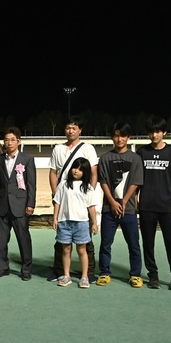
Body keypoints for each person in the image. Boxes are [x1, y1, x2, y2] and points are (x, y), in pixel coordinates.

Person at [47, 115, 99, 283]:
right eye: (68, 128)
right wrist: (56, 194)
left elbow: (93, 172)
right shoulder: (58, 149)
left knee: (85, 240)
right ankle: (59, 271)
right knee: (62, 240)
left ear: (80, 130)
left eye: (74, 128)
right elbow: (53, 173)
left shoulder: (88, 148)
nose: (70, 131)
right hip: (63, 195)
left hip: (82, 198)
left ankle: (88, 273)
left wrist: (88, 192)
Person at [137, 115, 171, 290]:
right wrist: (136, 199)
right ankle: (153, 275)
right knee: (148, 243)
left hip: (166, 205)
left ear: (164, 132)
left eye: (157, 131)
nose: (154, 135)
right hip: (146, 205)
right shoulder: (142, 152)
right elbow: (137, 179)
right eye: (151, 132)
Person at [97, 122, 144, 288]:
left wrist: (123, 201)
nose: (119, 139)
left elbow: (136, 182)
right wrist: (112, 202)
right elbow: (103, 181)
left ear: (128, 138)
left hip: (128, 209)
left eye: (123, 136)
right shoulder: (105, 158)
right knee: (105, 244)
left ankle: (135, 275)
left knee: (134, 245)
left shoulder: (135, 158)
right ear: (112, 137)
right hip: (108, 209)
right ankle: (104, 272)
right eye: (116, 135)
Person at [0, 126, 36, 281]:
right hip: (2, 205)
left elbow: (31, 184)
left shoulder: (27, 159)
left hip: (20, 206)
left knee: (23, 239)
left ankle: (26, 269)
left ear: (18, 141)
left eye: (12, 140)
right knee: (1, 240)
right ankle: (2, 267)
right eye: (6, 140)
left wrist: (30, 204)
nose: (9, 143)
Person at [52, 157, 99, 288]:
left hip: (81, 223)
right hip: (64, 222)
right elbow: (57, 202)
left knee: (82, 250)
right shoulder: (63, 185)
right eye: (74, 167)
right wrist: (55, 218)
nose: (76, 171)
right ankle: (66, 275)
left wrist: (94, 223)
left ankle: (84, 277)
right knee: (66, 250)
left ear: (85, 172)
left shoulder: (88, 188)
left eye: (80, 169)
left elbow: (91, 207)